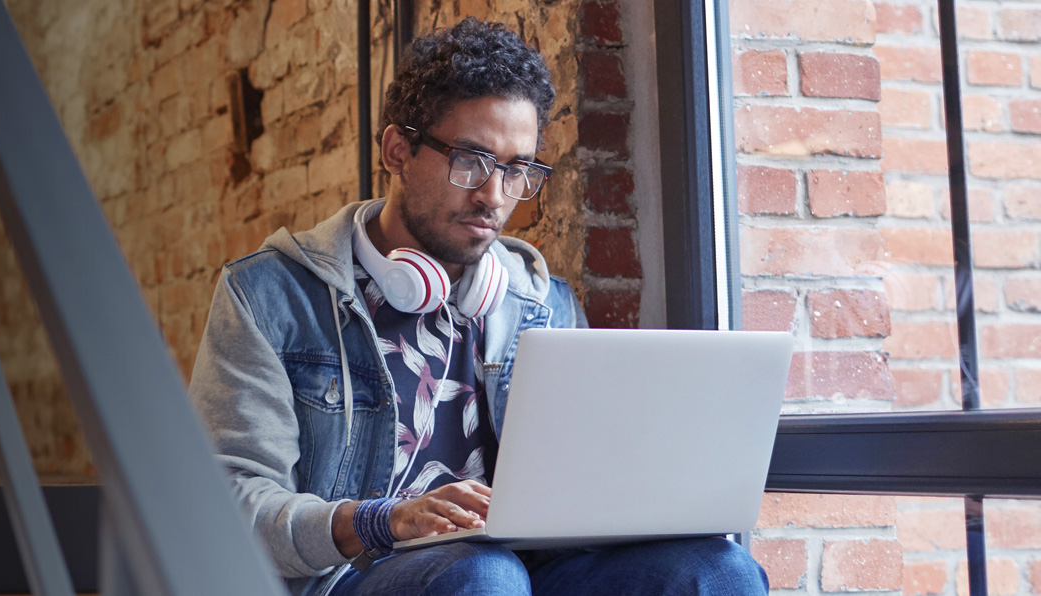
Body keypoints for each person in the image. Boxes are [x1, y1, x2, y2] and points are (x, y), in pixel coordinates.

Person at [187, 17, 769, 596]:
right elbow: (230, 503)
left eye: (517, 170)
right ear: (397, 149)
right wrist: (381, 519)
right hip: (353, 577)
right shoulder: (270, 296)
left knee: (721, 570)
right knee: (484, 575)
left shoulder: (543, 306)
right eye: (471, 160)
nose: (494, 196)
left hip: (522, 570)